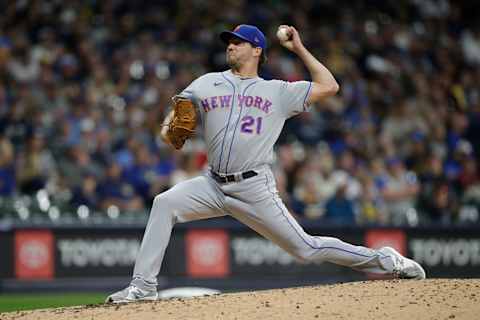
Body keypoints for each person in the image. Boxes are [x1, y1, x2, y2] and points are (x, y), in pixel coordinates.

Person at [106, 24, 425, 303]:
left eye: (238, 41)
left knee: (306, 249)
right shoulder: (206, 82)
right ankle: (143, 286)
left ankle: (386, 261)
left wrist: (298, 48)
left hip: (253, 187)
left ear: (257, 49)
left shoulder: (277, 92)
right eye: (229, 41)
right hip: (212, 183)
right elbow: (174, 118)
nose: (230, 45)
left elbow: (330, 85)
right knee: (164, 204)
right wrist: (167, 129)